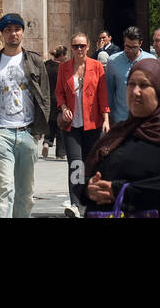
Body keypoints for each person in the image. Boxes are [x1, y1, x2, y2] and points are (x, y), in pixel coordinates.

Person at [80, 61, 160, 218]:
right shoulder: (117, 133)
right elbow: (81, 176)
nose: (135, 92)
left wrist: (120, 190)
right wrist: (88, 189)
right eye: (131, 84)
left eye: (144, 85)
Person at [0, 12, 50, 219]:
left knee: (26, 193)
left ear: (23, 33)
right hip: (2, 134)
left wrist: (37, 131)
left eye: (16, 29)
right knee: (4, 189)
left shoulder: (34, 61)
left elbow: (45, 95)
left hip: (27, 132)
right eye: (8, 30)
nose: (13, 34)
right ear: (2, 34)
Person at [55, 32, 110, 216]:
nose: (79, 49)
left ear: (88, 47)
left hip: (93, 123)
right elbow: (59, 92)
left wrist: (106, 119)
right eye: (75, 46)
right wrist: (63, 108)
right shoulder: (64, 68)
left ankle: (91, 201)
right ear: (71, 48)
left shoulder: (96, 66)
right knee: (75, 164)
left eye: (82, 46)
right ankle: (75, 203)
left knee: (91, 164)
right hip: (72, 125)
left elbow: (103, 94)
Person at [105, 27, 154, 126]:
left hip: (144, 120)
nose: (130, 50)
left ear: (140, 44)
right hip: (121, 119)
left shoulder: (151, 61)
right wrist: (108, 116)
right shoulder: (112, 62)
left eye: (134, 47)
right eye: (127, 46)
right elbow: (109, 91)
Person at [42, 46, 67, 159]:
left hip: (48, 97)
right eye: (65, 55)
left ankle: (47, 142)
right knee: (61, 125)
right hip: (60, 99)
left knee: (50, 122)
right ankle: (60, 153)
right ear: (61, 56)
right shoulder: (63, 68)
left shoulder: (46, 65)